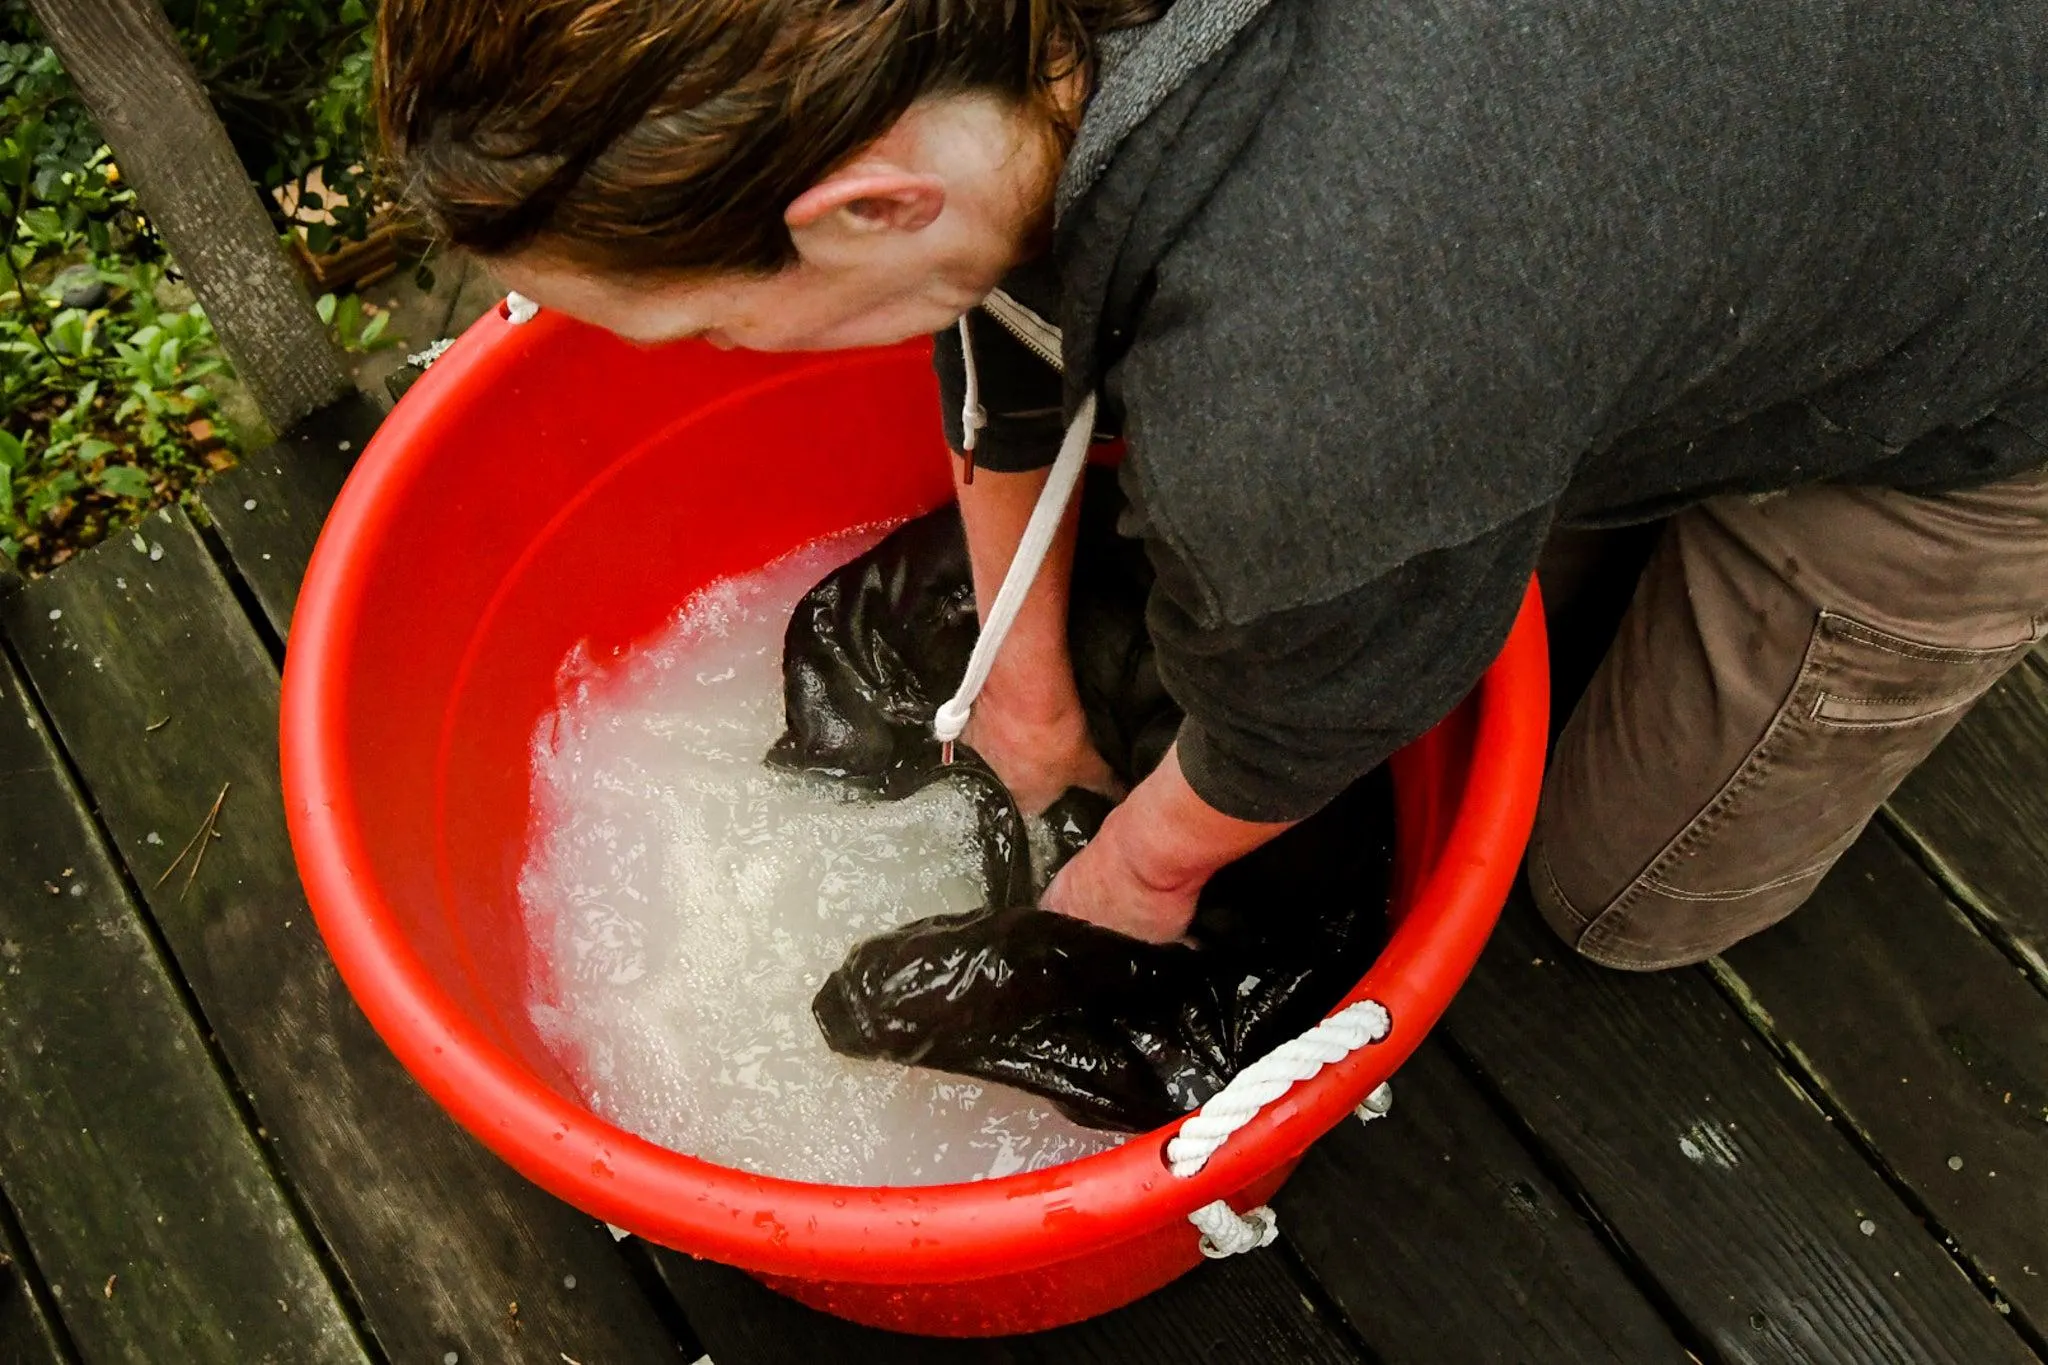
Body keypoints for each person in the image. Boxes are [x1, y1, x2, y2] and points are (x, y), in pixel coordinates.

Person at [375, 0, 2048, 969]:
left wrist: (1133, 881)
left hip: (1979, 373)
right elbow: (1001, 302)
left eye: (720, 334)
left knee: (1621, 903)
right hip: (1717, 142)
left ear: (869, 204)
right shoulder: (992, 52)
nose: (734, 366)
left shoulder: (1317, 380)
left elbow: (1316, 708)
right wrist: (1021, 692)